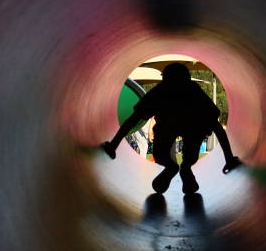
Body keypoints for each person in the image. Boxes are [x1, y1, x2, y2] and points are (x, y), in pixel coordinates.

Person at [101, 63, 242, 194]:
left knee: (161, 155)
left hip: (170, 126)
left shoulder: (161, 91)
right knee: (190, 155)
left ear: (165, 79)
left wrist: (113, 145)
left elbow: (133, 120)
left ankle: (172, 167)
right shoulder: (192, 90)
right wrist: (228, 159)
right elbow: (217, 127)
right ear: (187, 79)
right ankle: (185, 167)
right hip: (192, 126)